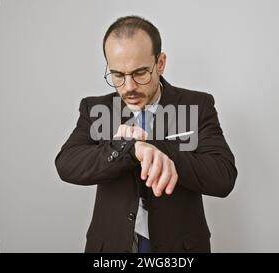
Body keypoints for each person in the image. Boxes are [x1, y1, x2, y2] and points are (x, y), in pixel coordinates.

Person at [55, 15, 237, 253]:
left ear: (160, 63)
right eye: (118, 75)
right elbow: (67, 163)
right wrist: (130, 148)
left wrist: (155, 148)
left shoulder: (197, 105)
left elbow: (223, 177)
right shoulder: (94, 109)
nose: (129, 87)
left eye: (140, 73)